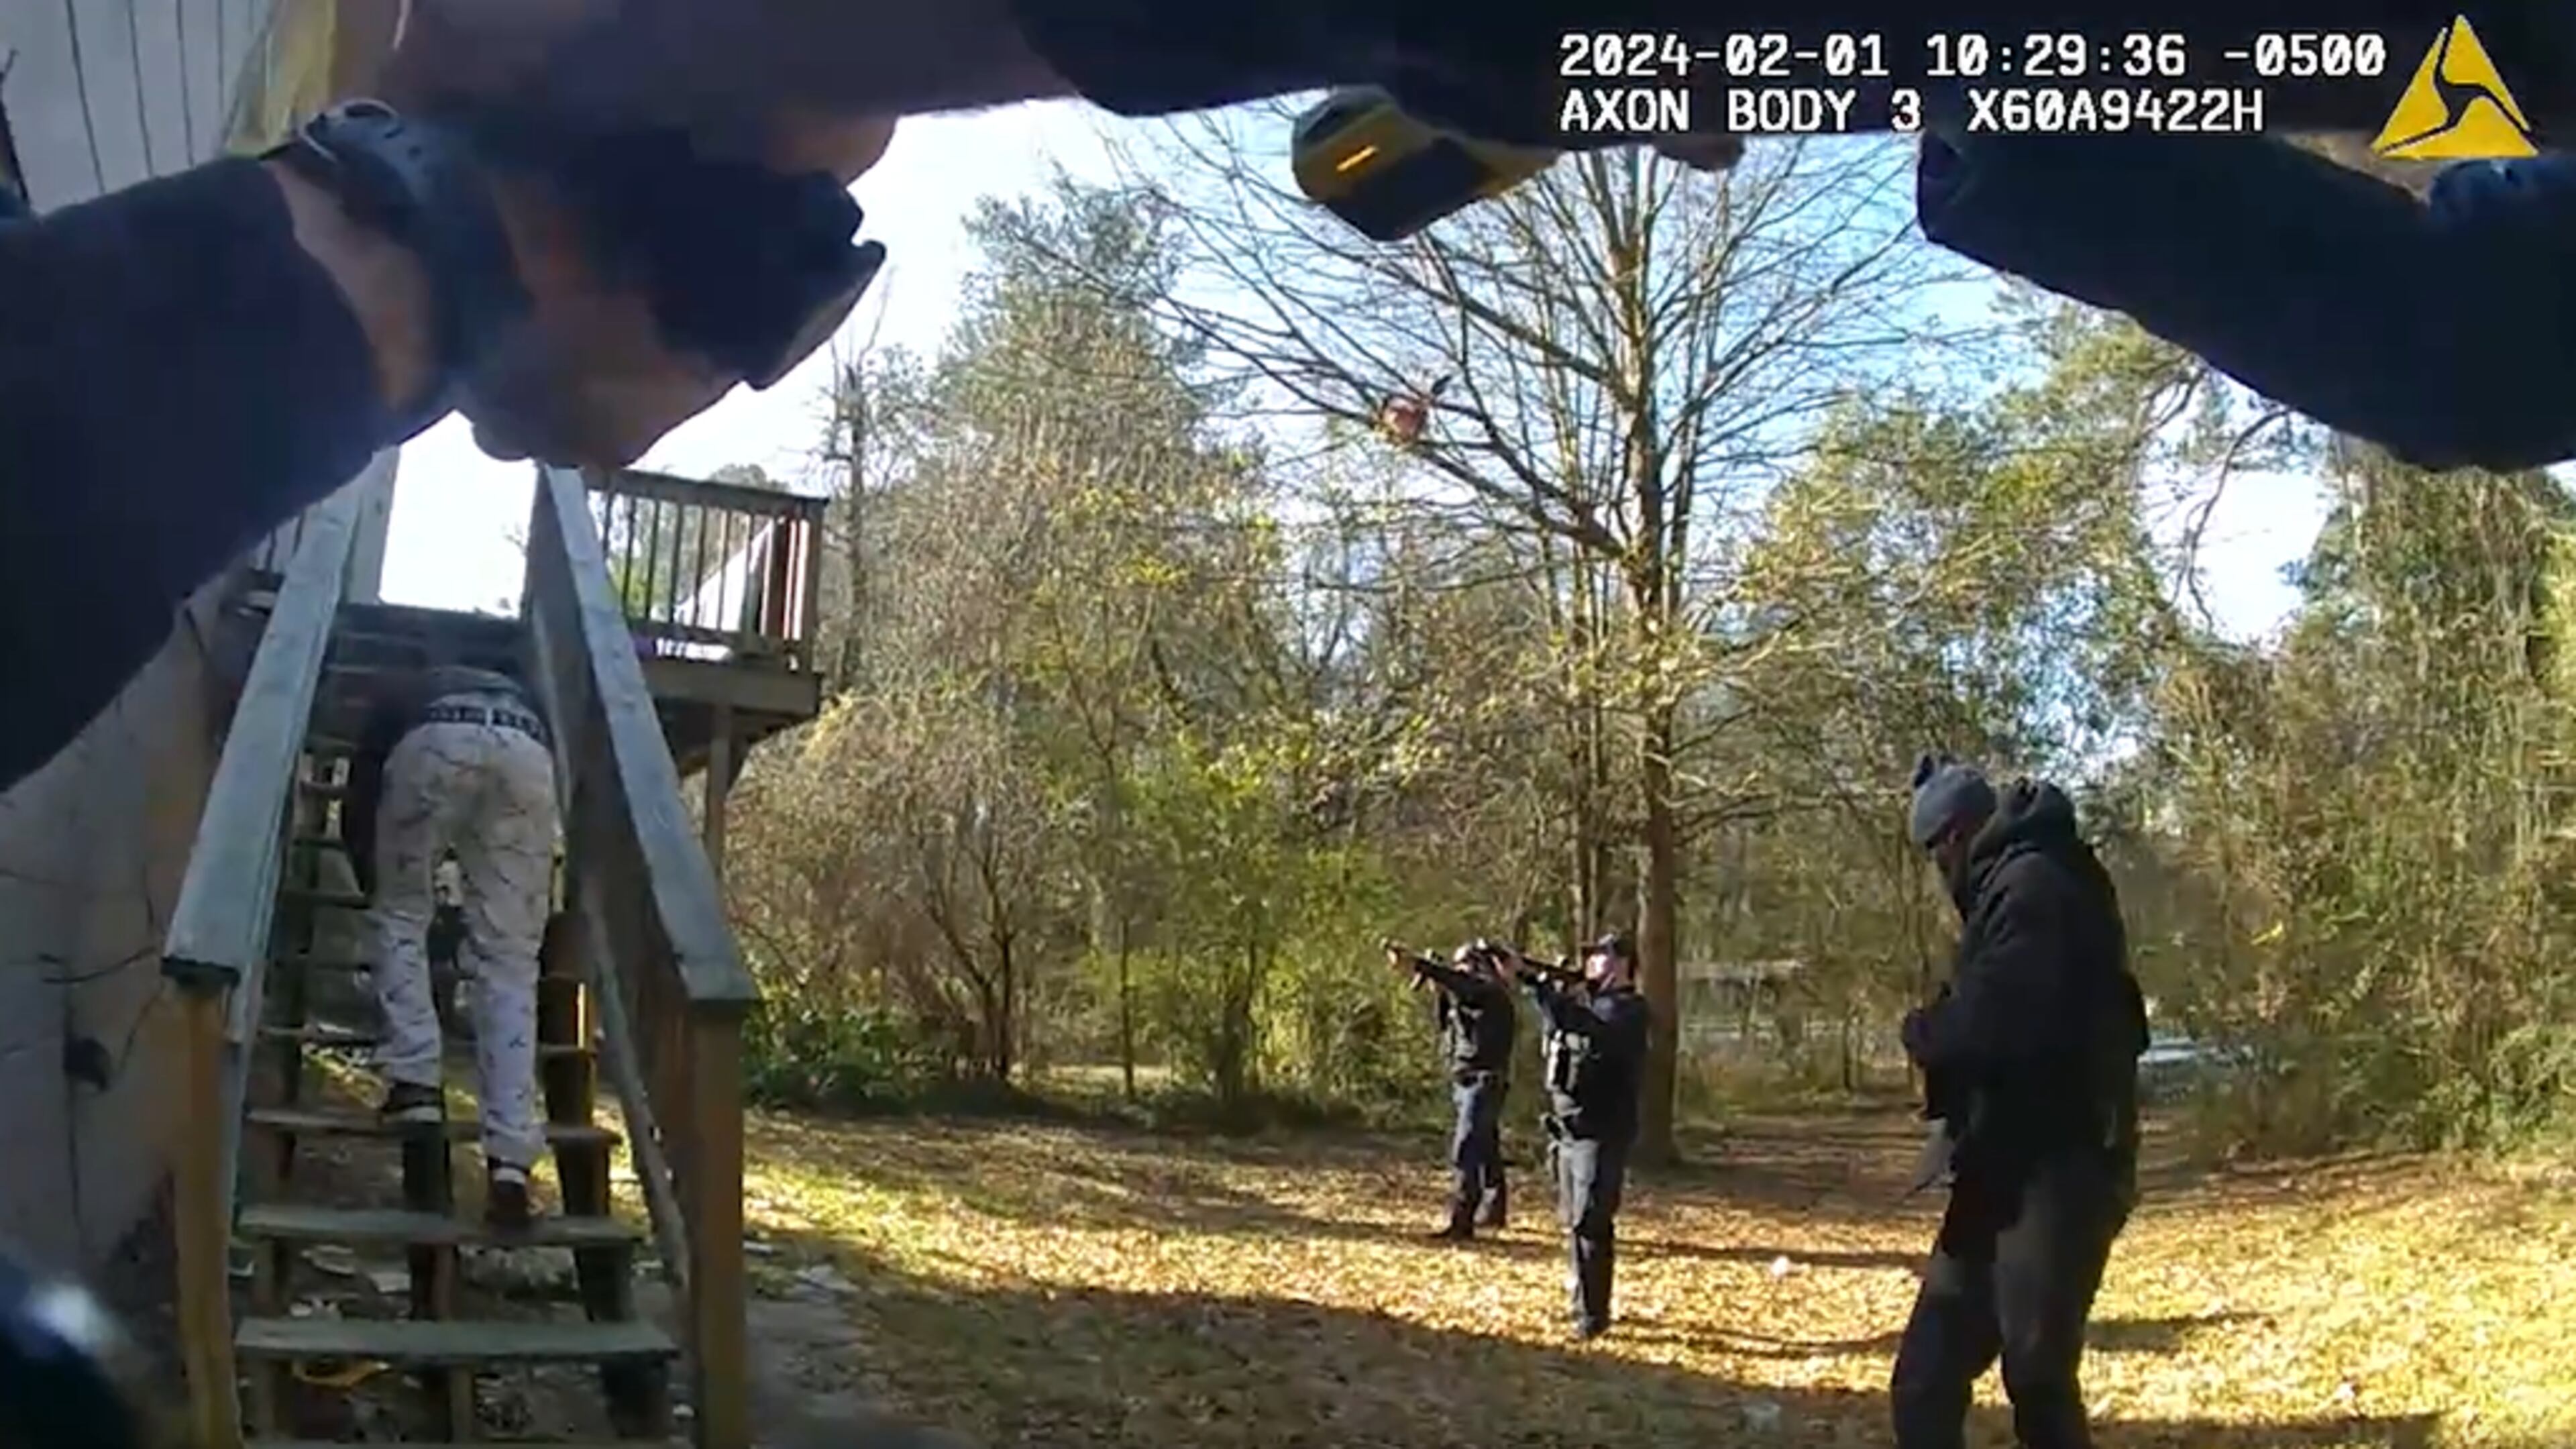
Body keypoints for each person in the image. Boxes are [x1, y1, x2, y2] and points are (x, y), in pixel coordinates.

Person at [1891, 756, 2150, 1449]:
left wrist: (1924, 1033)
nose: (1937, 869)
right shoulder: (2012, 886)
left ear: (1956, 836)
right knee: (1924, 1380)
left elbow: (1996, 1022)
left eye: (1935, 851)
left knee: (2037, 1374)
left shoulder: (2037, 885)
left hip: (2065, 1165)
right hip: (1999, 1164)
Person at [344, 654, 560, 1229]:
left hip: (435, 742)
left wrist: (375, 881)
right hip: (527, 749)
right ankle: (511, 1166)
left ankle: (415, 1078)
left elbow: (361, 798)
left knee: (400, 916)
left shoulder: (405, 688)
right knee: (510, 961)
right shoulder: (524, 690)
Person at [1499, 933, 1650, 1342]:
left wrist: (1536, 984)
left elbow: (1589, 1029)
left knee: (1591, 1222)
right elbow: (1563, 1028)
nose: (1591, 962)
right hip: (1569, 1129)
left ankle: (1593, 1317)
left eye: (1600, 956)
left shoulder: (1629, 1010)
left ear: (1622, 963)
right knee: (1575, 1222)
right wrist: (1532, 979)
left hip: (1602, 1132)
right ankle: (1581, 1301)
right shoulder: (1589, 1005)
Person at [1385, 939, 1517, 1238]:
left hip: (1483, 1079)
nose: (1461, 971)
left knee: (1466, 1148)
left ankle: (1462, 1220)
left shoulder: (1489, 992)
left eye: (1465, 965)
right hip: (1466, 1079)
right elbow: (1449, 1030)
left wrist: (1420, 965)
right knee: (1485, 1146)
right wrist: (1441, 994)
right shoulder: (1470, 999)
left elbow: (1463, 985)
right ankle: (1493, 1209)